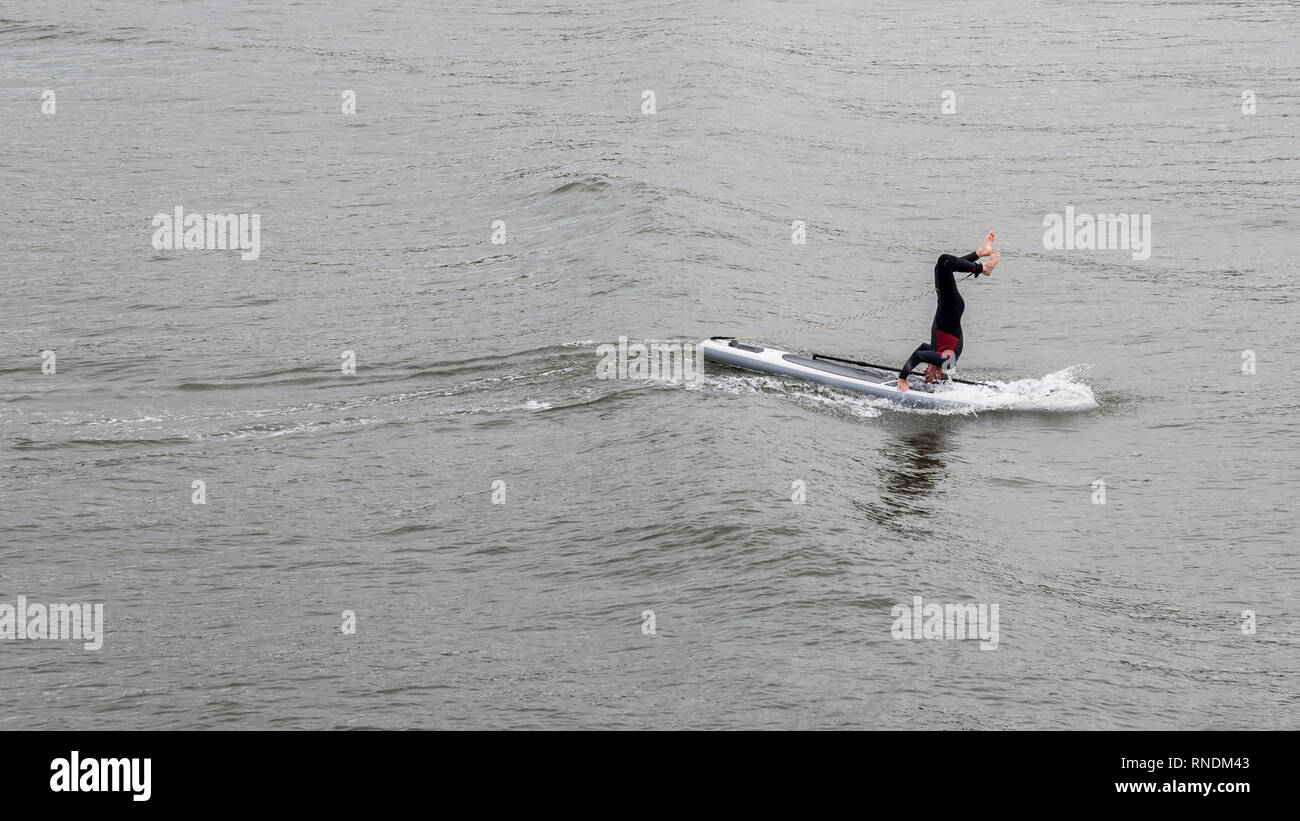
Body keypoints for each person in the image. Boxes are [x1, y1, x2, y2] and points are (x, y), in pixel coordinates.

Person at [896, 232, 999, 392]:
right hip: (950, 309)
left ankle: (981, 252)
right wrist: (903, 377)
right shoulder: (946, 362)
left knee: (942, 267)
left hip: (946, 308)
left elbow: (923, 347)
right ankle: (983, 268)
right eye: (927, 376)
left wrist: (906, 374)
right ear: (937, 373)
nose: (924, 372)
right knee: (944, 261)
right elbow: (918, 357)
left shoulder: (941, 357)